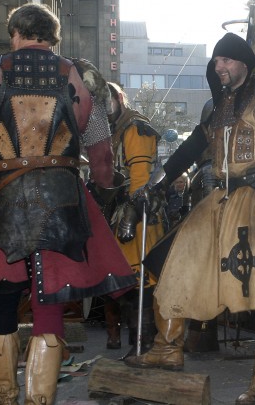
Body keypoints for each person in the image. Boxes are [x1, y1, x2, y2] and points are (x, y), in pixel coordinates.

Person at [0, 2, 137, 404]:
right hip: (62, 198)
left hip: (4, 198)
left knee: (3, 296)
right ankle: (40, 400)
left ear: (15, 34)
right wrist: (104, 190)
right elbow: (100, 151)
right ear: (53, 37)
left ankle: (4, 395)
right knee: (50, 297)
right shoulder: (80, 76)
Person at [134, 32, 255, 404]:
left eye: (225, 60)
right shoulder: (217, 106)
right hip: (218, 198)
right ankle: (167, 347)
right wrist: (156, 183)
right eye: (216, 61)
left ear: (243, 63)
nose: (218, 66)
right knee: (173, 261)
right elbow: (190, 148)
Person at [99, 81, 163, 352]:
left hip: (139, 215)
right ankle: (138, 344)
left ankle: (146, 345)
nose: (104, 108)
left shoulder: (135, 127)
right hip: (121, 211)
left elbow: (140, 180)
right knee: (126, 283)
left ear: (118, 99)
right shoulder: (116, 130)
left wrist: (132, 215)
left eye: (107, 101)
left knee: (141, 282)